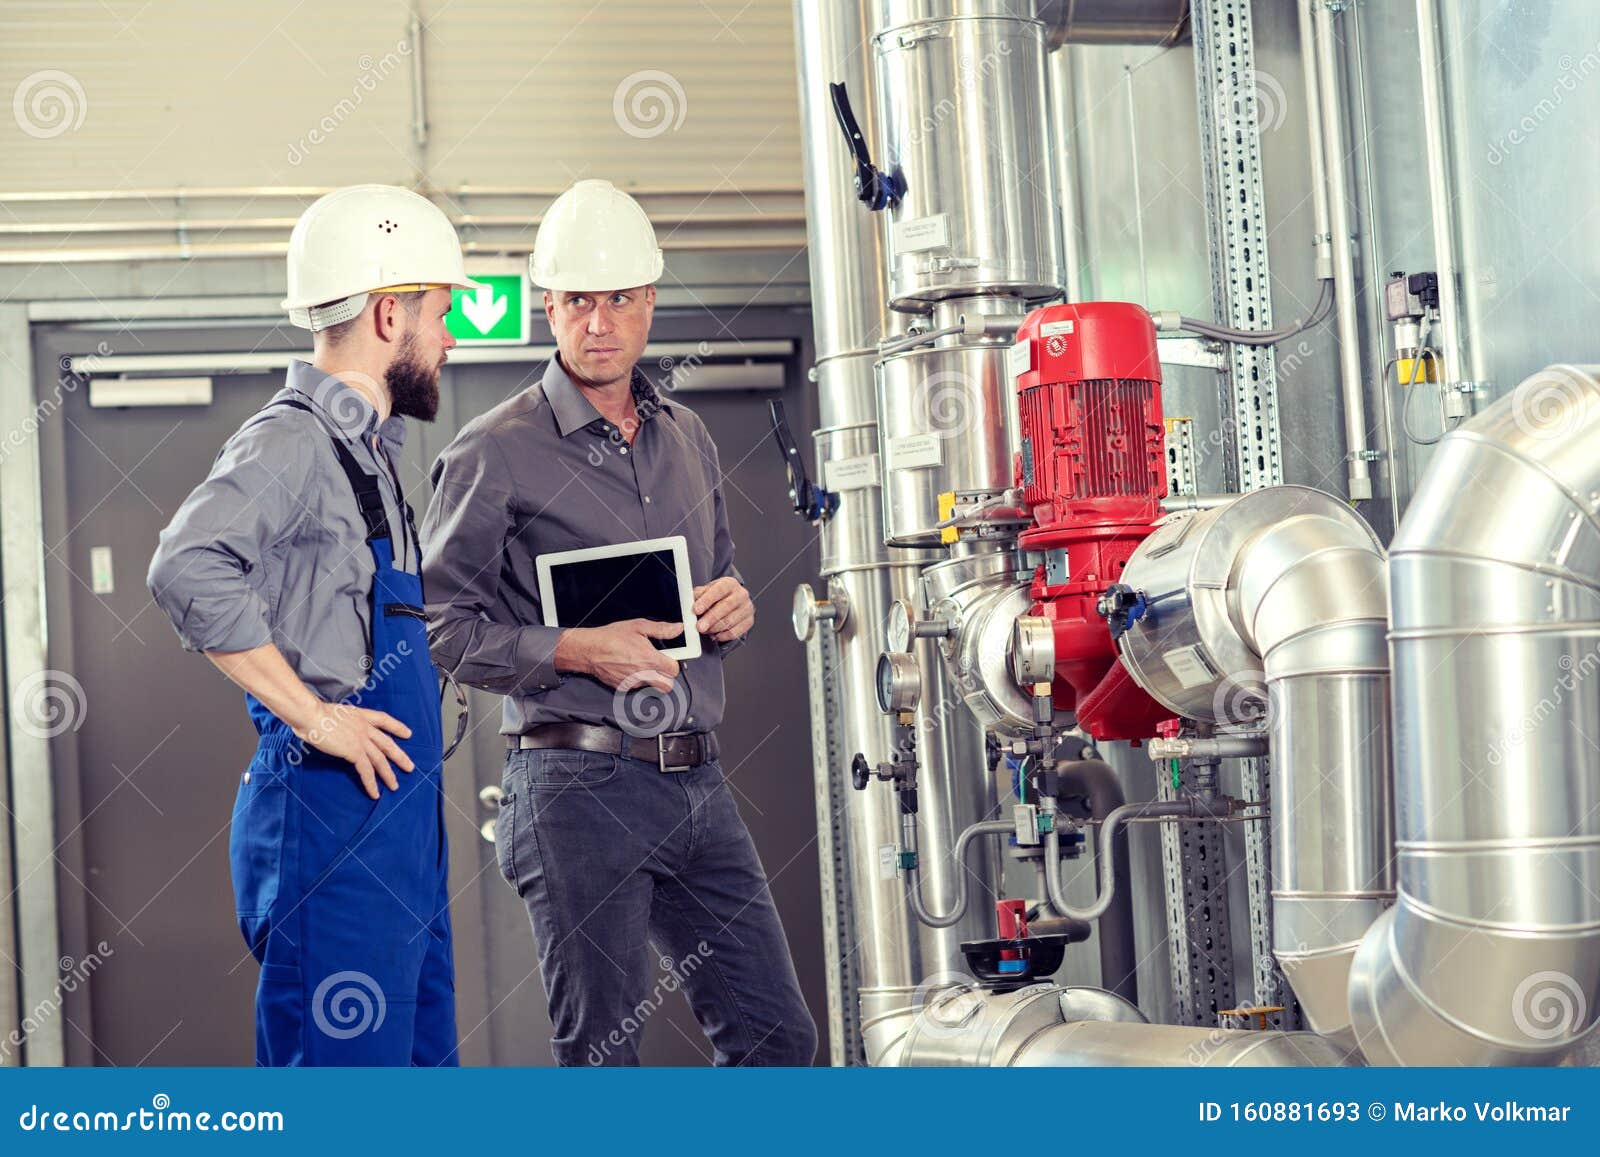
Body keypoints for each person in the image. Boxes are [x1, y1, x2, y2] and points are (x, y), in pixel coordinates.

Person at [419, 179, 817, 1067]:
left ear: (649, 303)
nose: (600, 322)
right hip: (575, 787)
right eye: (579, 302)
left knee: (779, 1041)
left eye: (621, 300)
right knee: (605, 1063)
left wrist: (735, 604)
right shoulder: (493, 449)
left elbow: (715, 579)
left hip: (696, 783)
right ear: (547, 307)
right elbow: (434, 624)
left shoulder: (687, 437)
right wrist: (569, 648)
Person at [147, 185, 476, 1066]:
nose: (451, 338)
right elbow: (186, 566)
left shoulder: (368, 455)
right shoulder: (292, 441)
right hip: (332, 827)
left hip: (400, 826)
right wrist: (315, 714)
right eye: (441, 315)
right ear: (385, 313)